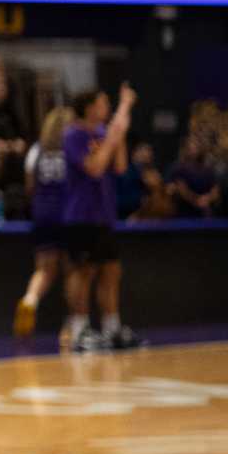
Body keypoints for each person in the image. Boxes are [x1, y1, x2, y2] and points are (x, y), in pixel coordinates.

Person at [62, 85, 140, 351]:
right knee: (82, 271)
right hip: (80, 215)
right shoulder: (73, 134)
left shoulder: (104, 133)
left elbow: (119, 166)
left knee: (111, 270)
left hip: (104, 214)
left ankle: (111, 327)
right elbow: (94, 168)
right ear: (90, 107)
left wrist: (119, 133)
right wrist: (113, 134)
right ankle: (80, 329)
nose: (107, 108)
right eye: (103, 103)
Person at [12, 105, 73, 339]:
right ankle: (70, 326)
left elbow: (30, 186)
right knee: (71, 271)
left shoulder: (37, 150)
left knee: (44, 269)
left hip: (42, 215)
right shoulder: (71, 149)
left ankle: (30, 300)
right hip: (67, 215)